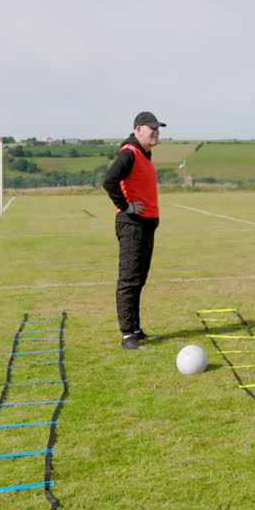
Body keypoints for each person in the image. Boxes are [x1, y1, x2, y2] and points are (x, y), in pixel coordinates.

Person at [102, 111, 165, 351]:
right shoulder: (129, 152)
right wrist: (126, 205)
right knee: (129, 280)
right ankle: (128, 335)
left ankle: (136, 330)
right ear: (138, 129)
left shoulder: (144, 154)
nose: (156, 131)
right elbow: (109, 180)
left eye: (158, 128)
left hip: (146, 225)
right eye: (151, 128)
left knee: (139, 280)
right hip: (132, 225)